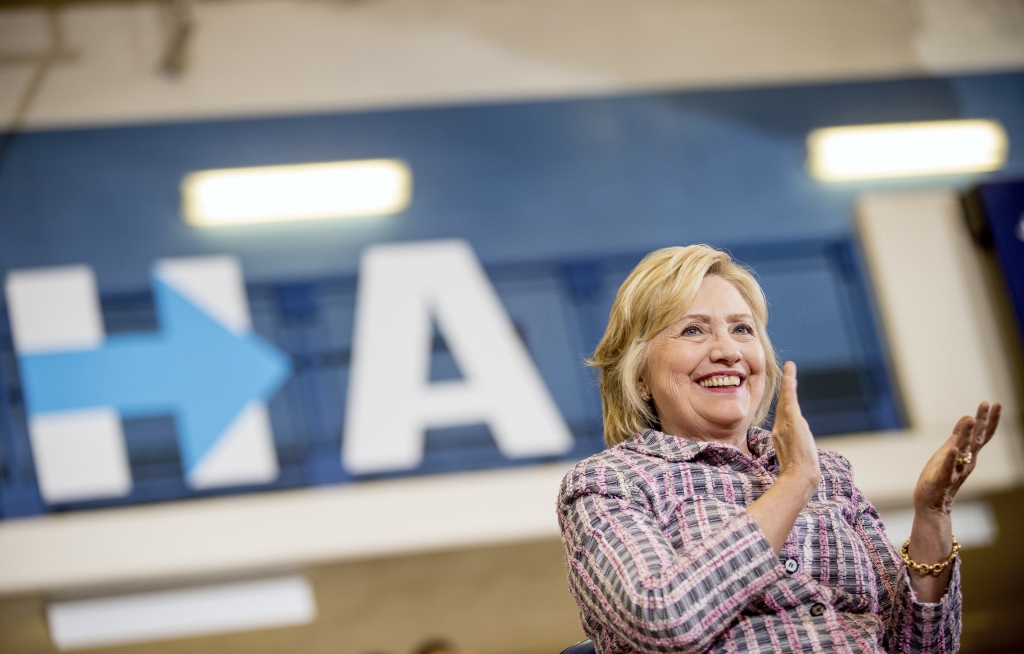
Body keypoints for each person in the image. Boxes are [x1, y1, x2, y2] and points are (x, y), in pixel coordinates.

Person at [557, 245, 1000, 654]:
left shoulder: (829, 473)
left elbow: (924, 648)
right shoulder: (609, 482)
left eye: (742, 329)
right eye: (693, 330)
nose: (728, 351)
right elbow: (662, 618)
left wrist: (932, 515)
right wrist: (792, 486)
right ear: (639, 377)